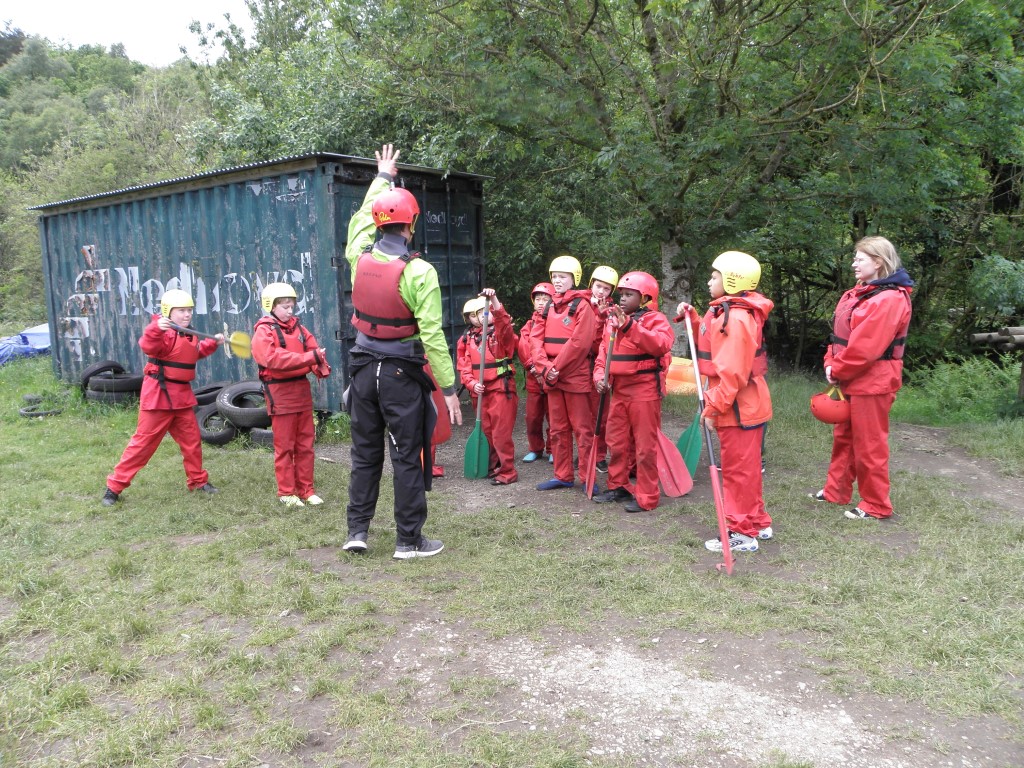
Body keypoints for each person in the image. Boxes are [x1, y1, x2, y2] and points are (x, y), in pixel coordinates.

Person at [342, 143, 462, 559]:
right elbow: (433, 337)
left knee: (364, 455)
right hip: (398, 375)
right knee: (407, 457)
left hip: (361, 371)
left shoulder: (357, 256)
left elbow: (361, 218)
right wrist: (449, 388)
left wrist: (382, 177)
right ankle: (408, 541)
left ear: (379, 223)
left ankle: (357, 532)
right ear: (412, 223)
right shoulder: (420, 271)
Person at [676, 251, 773, 553]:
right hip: (740, 405)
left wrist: (713, 407)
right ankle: (757, 522)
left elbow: (732, 374)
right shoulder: (724, 312)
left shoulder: (737, 318)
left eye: (714, 276)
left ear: (732, 281)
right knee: (746, 470)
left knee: (737, 472)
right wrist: (693, 318)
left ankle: (741, 533)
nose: (709, 281)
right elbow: (710, 341)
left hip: (739, 408)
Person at [812, 236, 914, 520]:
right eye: (854, 258)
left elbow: (865, 348)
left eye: (860, 259)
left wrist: (837, 370)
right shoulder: (858, 293)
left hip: (874, 382)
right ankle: (836, 491)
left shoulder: (889, 299)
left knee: (870, 445)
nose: (853, 264)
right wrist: (830, 363)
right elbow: (839, 337)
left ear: (878, 262)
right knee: (844, 438)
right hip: (850, 377)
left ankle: (877, 505)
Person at [101, 289, 223, 506]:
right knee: (143, 444)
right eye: (181, 311)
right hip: (158, 395)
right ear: (168, 312)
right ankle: (114, 487)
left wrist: (213, 343)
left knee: (192, 442)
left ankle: (198, 481)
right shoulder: (162, 332)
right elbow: (147, 345)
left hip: (182, 397)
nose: (187, 314)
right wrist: (156, 328)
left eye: (189, 310)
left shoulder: (189, 333)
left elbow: (192, 354)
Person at [592, 272, 674, 512]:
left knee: (645, 447)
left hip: (644, 390)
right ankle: (618, 485)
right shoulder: (613, 320)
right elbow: (603, 355)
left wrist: (629, 326)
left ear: (645, 298)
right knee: (616, 442)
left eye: (629, 294)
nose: (623, 298)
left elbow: (661, 344)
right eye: (622, 294)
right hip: (619, 390)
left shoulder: (655, 320)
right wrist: (600, 377)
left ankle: (648, 496)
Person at [252, 282, 331, 507]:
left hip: (301, 391)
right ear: (271, 306)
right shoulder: (264, 331)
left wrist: (321, 367)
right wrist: (311, 359)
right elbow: (273, 359)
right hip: (279, 393)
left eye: (291, 306)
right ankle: (287, 492)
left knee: (305, 444)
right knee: (285, 446)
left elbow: (313, 351)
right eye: (284, 306)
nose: (289, 311)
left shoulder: (300, 329)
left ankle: (306, 490)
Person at [529, 254, 598, 493]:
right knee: (557, 428)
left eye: (563, 277)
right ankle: (563, 474)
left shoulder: (583, 306)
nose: (557, 281)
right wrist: (545, 367)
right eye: (555, 276)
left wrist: (555, 368)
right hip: (552, 376)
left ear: (574, 278)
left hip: (573, 374)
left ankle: (587, 477)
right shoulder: (548, 306)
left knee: (582, 428)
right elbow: (535, 339)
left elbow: (580, 343)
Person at [456, 289, 519, 485]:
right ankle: (491, 465)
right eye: (473, 315)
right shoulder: (466, 339)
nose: (479, 318)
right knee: (487, 432)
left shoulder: (501, 334)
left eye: (482, 313)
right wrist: (472, 383)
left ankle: (507, 471)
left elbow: (504, 324)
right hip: (480, 392)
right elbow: (464, 367)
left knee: (501, 433)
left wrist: (493, 299)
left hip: (501, 388)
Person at [517, 282, 554, 463]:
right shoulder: (529, 325)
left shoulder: (556, 324)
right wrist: (534, 369)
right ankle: (535, 448)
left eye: (545, 299)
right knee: (532, 417)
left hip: (551, 377)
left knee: (554, 417)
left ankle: (554, 449)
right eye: (538, 299)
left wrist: (546, 370)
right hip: (534, 378)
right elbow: (523, 347)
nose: (540, 302)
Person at [587, 265, 618, 473]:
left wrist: (600, 316)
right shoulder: (580, 304)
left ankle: (598, 455)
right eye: (598, 286)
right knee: (581, 416)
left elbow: (601, 341)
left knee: (601, 414)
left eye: (606, 289)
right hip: (580, 364)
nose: (601, 292)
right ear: (591, 284)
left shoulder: (612, 311)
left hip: (600, 363)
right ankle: (585, 452)